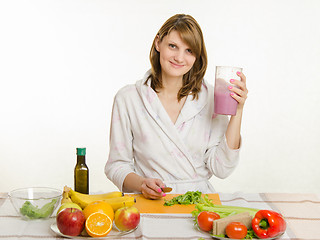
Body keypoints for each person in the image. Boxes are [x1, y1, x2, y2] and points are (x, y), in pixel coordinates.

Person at [105, 14, 248, 199]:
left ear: (197, 56)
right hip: (150, 204)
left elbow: (222, 168)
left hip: (199, 205)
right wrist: (142, 184)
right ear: (158, 43)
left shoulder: (211, 99)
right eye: (173, 46)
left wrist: (238, 111)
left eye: (189, 51)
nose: (179, 58)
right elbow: (116, 166)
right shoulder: (128, 99)